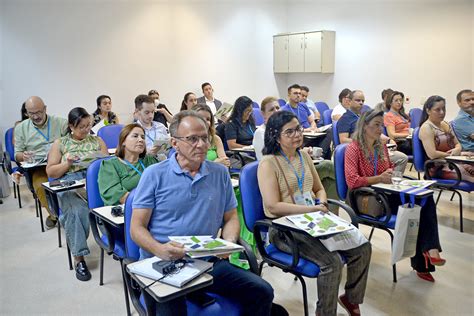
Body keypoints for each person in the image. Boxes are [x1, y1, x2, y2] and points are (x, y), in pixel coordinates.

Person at [130, 111, 274, 315]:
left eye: (205, 137)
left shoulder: (219, 173)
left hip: (205, 260)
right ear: (174, 143)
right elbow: (136, 228)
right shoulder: (154, 175)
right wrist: (159, 249)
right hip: (163, 264)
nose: (201, 144)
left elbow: (231, 217)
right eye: (192, 139)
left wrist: (229, 242)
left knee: (262, 291)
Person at [258, 111, 371, 316]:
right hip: (284, 229)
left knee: (362, 246)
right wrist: (311, 209)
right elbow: (273, 206)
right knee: (332, 263)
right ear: (275, 136)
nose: (297, 135)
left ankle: (351, 298)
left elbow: (319, 188)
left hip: (313, 221)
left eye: (298, 129)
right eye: (289, 132)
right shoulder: (268, 163)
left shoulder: (303, 156)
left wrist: (322, 202)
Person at [345, 109, 444, 283]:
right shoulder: (353, 148)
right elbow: (352, 181)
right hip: (364, 197)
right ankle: (425, 258)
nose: (380, 129)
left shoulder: (381, 145)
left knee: (424, 198)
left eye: (381, 125)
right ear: (364, 126)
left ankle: (430, 250)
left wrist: (390, 172)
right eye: (376, 125)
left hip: (385, 192)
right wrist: (379, 178)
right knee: (418, 206)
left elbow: (388, 167)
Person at [46, 107, 108, 281]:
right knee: (76, 211)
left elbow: (107, 163)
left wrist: (99, 161)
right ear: (71, 127)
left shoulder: (97, 141)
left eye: (89, 125)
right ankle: (79, 258)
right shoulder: (61, 143)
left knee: (110, 204)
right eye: (82, 126)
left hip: (94, 180)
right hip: (70, 181)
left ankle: (112, 241)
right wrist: (67, 163)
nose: (87, 129)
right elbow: (51, 171)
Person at [14, 96, 68, 228]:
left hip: (60, 165)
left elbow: (70, 144)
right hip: (38, 167)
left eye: (39, 112)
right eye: (31, 113)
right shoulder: (21, 128)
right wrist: (23, 156)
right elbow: (17, 154)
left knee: (69, 187)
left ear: (45, 109)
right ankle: (55, 215)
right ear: (26, 113)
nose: (36, 116)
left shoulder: (60, 123)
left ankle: (68, 212)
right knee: (41, 187)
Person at [338, 90, 408, 172]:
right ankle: (389, 180)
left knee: (401, 157)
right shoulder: (345, 119)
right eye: (358, 100)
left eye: (362, 101)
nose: (361, 103)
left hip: (375, 147)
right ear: (349, 101)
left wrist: (389, 140)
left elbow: (375, 132)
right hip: (362, 150)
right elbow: (343, 140)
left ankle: (388, 180)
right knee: (401, 158)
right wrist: (366, 141)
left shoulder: (362, 117)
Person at [98, 124, 159, 205]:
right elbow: (117, 196)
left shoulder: (150, 160)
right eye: (135, 136)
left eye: (143, 137)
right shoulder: (109, 165)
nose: (141, 140)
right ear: (123, 141)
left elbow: (166, 183)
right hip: (129, 209)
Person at [419, 95, 474, 182]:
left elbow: (457, 143)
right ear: (428, 111)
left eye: (443, 109)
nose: (442, 112)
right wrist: (456, 154)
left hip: (453, 162)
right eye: (437, 110)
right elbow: (432, 154)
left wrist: (458, 149)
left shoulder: (445, 124)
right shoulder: (426, 128)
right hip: (439, 167)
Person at [282, 84, 332, 159]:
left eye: (299, 93)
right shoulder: (285, 110)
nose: (298, 95)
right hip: (301, 135)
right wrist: (306, 130)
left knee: (329, 131)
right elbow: (289, 130)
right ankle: (317, 157)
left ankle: (320, 156)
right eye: (295, 93)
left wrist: (313, 127)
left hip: (311, 134)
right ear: (289, 95)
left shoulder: (303, 106)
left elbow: (312, 121)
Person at [384, 91, 412, 155]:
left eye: (400, 100)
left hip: (408, 140)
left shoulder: (401, 115)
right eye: (396, 100)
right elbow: (392, 135)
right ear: (390, 102)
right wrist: (408, 135)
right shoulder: (389, 116)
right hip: (401, 143)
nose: (399, 102)